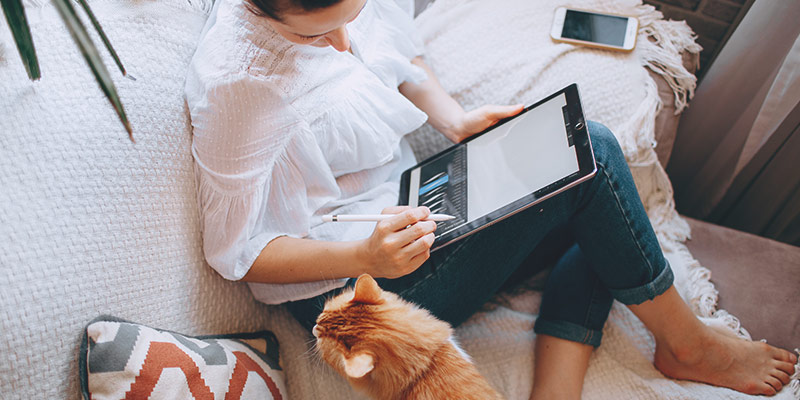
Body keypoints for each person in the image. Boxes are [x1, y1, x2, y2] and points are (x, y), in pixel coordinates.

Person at [184, 0, 797, 397]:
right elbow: (237, 251)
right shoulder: (241, 84)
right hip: (352, 292)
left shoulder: (353, 14)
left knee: (600, 195)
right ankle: (686, 344)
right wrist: (366, 258)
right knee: (598, 157)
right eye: (327, 28)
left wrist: (454, 120)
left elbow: (398, 52)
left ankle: (557, 390)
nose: (350, 36)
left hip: (411, 209)